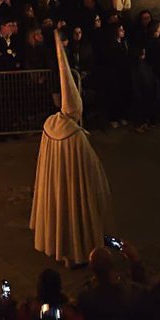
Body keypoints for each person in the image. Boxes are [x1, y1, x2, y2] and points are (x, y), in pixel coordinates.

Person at [31, 32, 115, 267]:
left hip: (55, 183)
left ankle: (60, 250)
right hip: (74, 185)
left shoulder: (50, 125)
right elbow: (92, 170)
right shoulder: (75, 135)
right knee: (75, 215)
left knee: (59, 214)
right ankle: (77, 254)